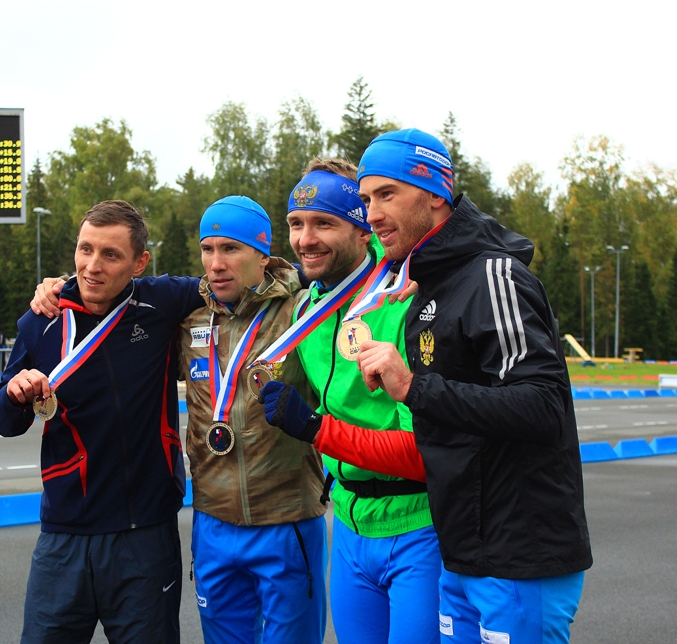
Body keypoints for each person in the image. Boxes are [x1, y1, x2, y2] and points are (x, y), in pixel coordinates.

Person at [265, 130, 592, 644]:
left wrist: (410, 390)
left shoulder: (491, 274)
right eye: (367, 199)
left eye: (386, 195)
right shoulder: (422, 287)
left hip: (507, 548)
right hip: (458, 545)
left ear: (436, 193)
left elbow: (544, 406)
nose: (373, 214)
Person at [0, 200, 204, 644]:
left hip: (144, 538)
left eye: (110, 254)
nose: (92, 266)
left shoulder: (161, 303)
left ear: (139, 263)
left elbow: (230, 278)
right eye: (85, 249)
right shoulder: (41, 321)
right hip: (63, 538)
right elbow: (2, 420)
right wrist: (13, 395)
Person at [261, 158, 441, 644]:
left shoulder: (406, 298)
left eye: (324, 223)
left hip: (418, 525)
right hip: (347, 523)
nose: (305, 239)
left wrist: (315, 428)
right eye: (295, 224)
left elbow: (423, 452)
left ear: (364, 231)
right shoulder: (304, 309)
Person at [180, 196, 327, 644]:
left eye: (231, 248)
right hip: (213, 522)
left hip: (287, 520)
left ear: (263, 255)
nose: (216, 263)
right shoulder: (188, 320)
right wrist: (56, 289)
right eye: (208, 249)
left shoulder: (304, 310)